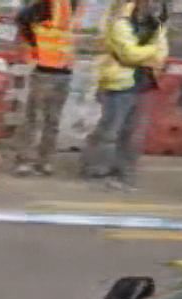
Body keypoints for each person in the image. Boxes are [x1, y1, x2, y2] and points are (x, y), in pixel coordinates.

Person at [83, 0, 169, 191]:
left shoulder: (156, 25)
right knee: (110, 130)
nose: (154, 4)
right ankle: (96, 170)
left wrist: (146, 53)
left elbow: (162, 54)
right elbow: (129, 54)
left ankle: (122, 173)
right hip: (118, 83)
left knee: (132, 134)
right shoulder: (120, 22)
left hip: (143, 84)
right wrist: (151, 51)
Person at [11, 0, 77, 175]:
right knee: (39, 120)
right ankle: (32, 160)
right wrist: (34, 48)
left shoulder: (66, 6)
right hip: (47, 71)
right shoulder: (47, 6)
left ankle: (40, 161)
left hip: (59, 71)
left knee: (47, 121)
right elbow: (23, 20)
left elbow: (23, 21)